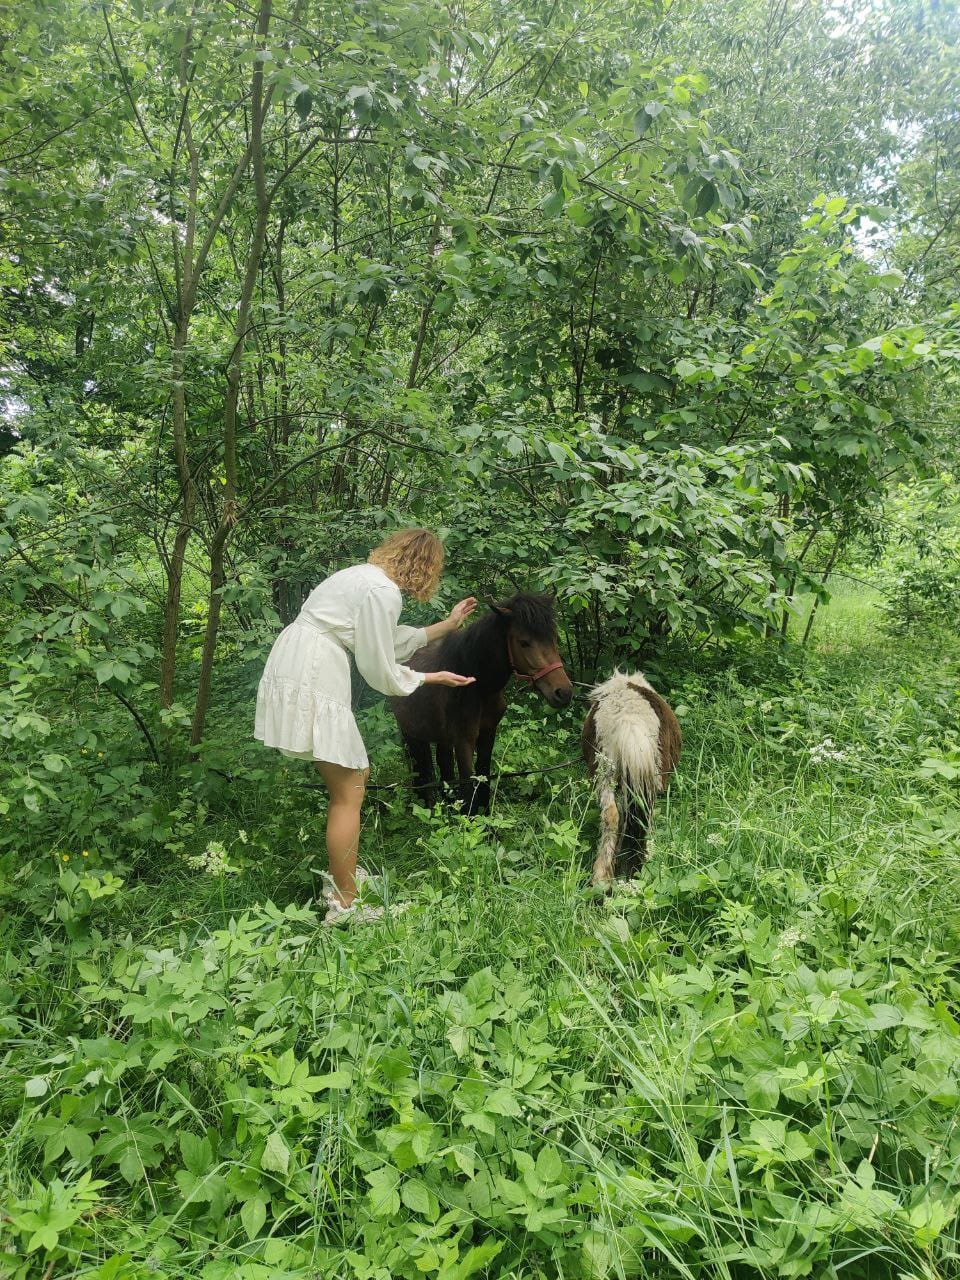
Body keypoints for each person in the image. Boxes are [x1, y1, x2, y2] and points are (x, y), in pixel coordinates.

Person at [254, 528, 476, 925]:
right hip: (315, 667)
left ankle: (344, 880)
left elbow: (383, 641)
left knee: (350, 780)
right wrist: (428, 678)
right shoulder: (382, 592)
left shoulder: (361, 577)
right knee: (351, 786)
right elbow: (377, 667)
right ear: (425, 567)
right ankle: (345, 906)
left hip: (303, 657)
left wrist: (447, 624)